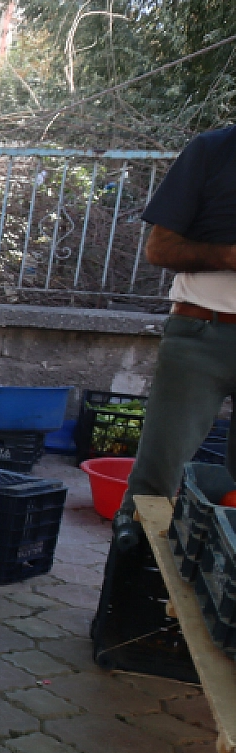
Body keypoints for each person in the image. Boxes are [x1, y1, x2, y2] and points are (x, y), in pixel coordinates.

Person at [122, 125, 236, 512]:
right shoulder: (215, 150)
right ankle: (132, 570)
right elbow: (160, 248)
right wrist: (229, 257)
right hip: (201, 335)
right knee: (154, 483)